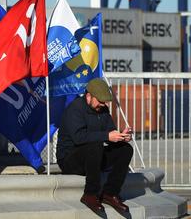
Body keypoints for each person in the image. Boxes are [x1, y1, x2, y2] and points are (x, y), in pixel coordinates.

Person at [56, 78, 134, 214]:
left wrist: (121, 137)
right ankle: (90, 194)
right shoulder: (75, 109)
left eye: (104, 102)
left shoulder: (103, 110)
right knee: (95, 145)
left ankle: (110, 193)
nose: (102, 105)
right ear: (88, 96)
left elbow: (109, 134)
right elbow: (79, 137)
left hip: (92, 156)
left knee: (125, 149)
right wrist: (107, 136)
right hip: (70, 160)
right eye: (100, 101)